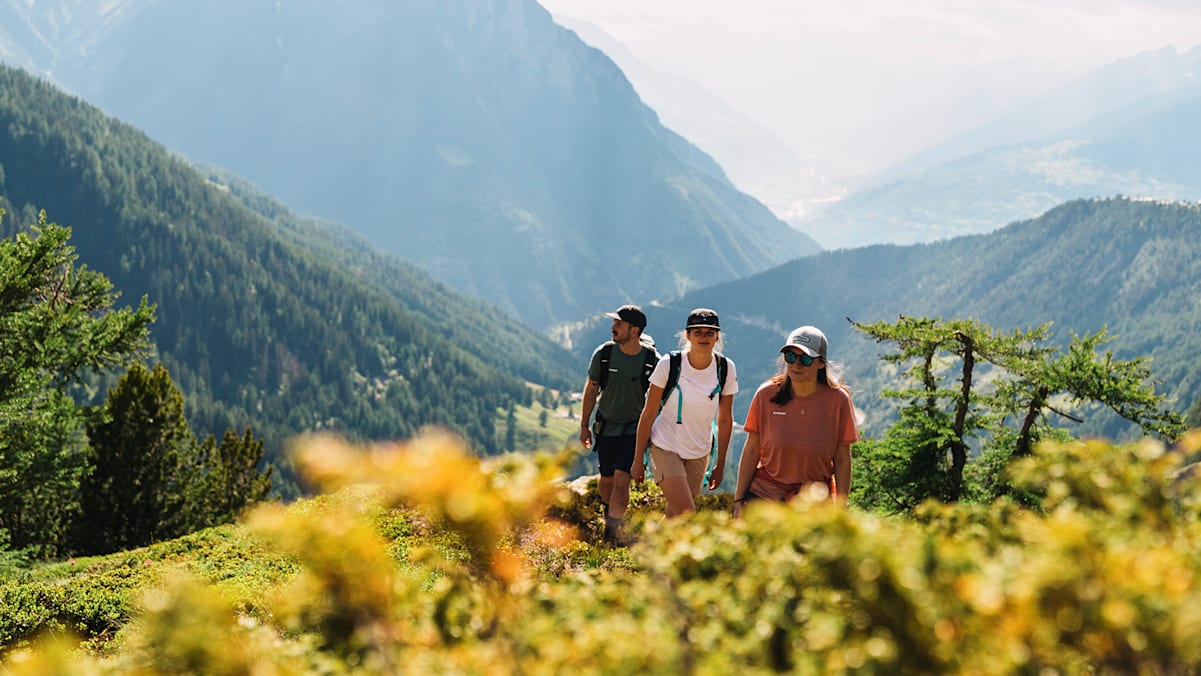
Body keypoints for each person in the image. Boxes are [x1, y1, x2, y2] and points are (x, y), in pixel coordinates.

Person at [732, 325, 858, 518]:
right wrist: (739, 501)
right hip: (766, 494)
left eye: (806, 359)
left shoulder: (838, 401)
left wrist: (840, 507)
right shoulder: (766, 395)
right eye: (790, 357)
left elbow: (842, 458)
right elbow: (752, 449)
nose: (796, 364)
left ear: (821, 364)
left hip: (815, 499)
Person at [633, 308, 738, 518]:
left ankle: (653, 550)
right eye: (697, 332)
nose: (703, 337)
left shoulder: (725, 368)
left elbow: (725, 419)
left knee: (676, 517)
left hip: (699, 451)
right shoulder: (669, 365)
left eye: (709, 332)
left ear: (717, 337)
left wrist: (720, 463)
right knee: (686, 512)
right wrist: (638, 460)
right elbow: (649, 413)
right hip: (665, 445)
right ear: (687, 335)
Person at [580, 304, 658, 542]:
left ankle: (611, 532)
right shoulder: (604, 354)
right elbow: (592, 389)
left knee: (622, 480)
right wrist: (584, 425)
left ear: (634, 330)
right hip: (607, 425)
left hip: (634, 428)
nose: (613, 328)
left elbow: (661, 395)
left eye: (618, 324)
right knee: (607, 481)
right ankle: (608, 509)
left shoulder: (651, 359)